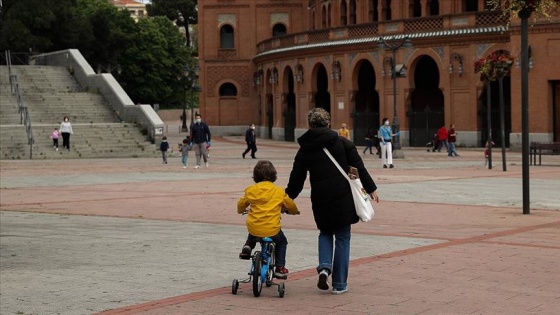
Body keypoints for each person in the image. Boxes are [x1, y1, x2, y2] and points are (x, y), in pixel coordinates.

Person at [285, 108, 379, 294]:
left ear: (310, 125)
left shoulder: (305, 149)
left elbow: (296, 179)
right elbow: (358, 168)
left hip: (320, 198)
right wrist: (371, 189)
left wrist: (287, 199)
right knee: (343, 237)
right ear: (328, 123)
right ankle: (340, 285)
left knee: (325, 232)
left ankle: (325, 267)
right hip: (343, 197)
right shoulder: (344, 144)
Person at [237, 160, 300, 279]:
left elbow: (241, 205)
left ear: (255, 176)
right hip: (272, 229)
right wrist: (294, 211)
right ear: (274, 175)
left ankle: (248, 247)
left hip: (255, 228)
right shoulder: (279, 191)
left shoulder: (251, 190)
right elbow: (290, 205)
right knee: (282, 242)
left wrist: (241, 210)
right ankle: (280, 267)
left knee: (254, 227)